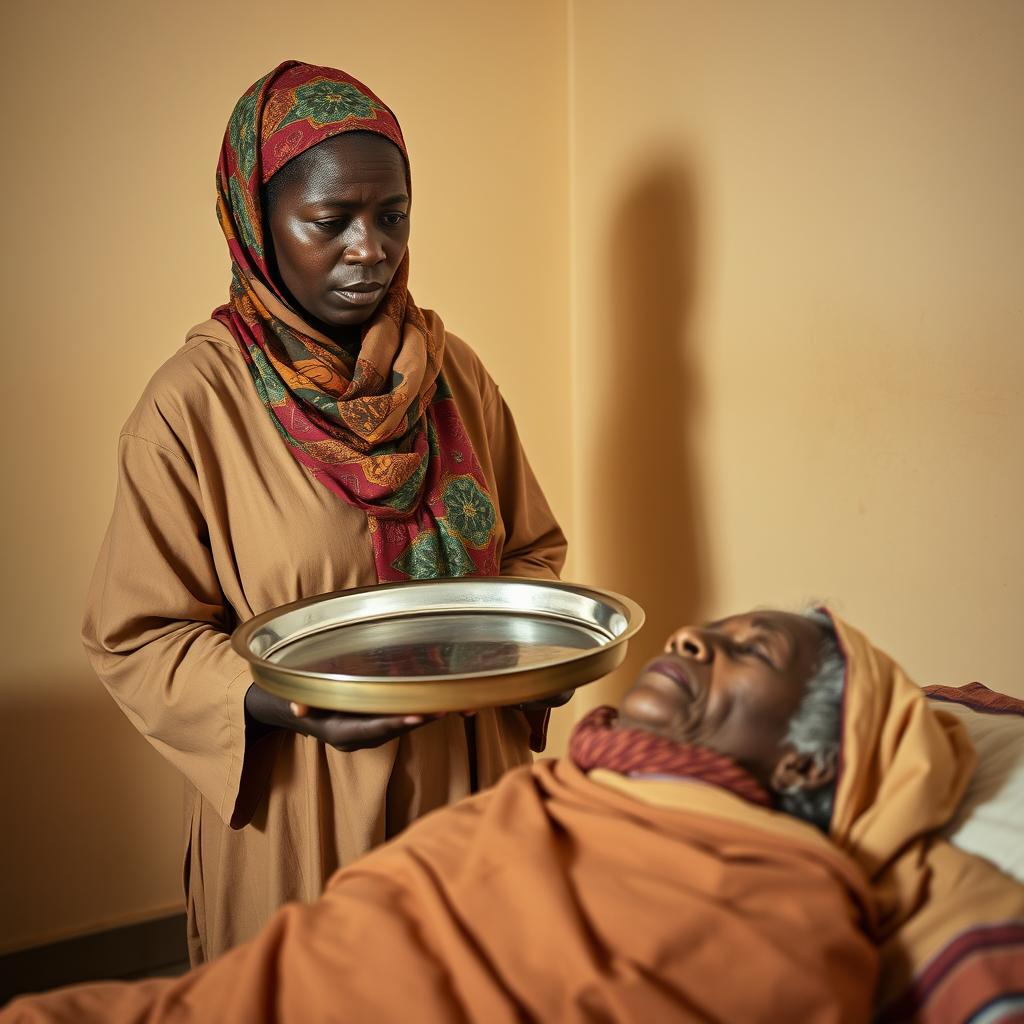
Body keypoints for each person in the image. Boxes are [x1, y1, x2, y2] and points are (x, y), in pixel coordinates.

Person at [80, 60, 568, 965]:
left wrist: (536, 656)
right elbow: (136, 637)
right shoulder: (191, 408)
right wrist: (272, 700)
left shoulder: (451, 373)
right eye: (329, 221)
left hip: (473, 796)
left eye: (392, 217)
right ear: (257, 225)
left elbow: (533, 554)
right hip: (302, 815)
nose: (369, 249)